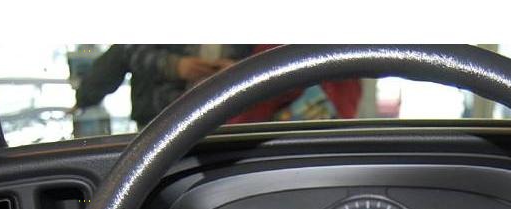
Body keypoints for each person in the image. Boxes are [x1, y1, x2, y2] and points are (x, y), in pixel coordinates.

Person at [75, 45, 361, 130]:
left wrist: (238, 72)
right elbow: (125, 51)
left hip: (231, 123)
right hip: (162, 118)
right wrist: (173, 65)